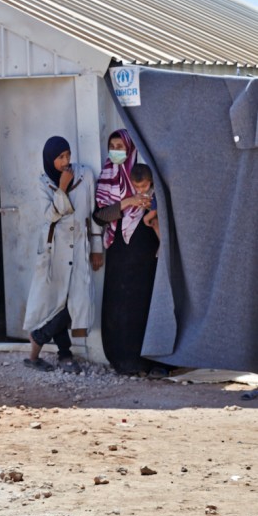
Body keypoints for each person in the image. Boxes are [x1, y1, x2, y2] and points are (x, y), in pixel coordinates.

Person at [22, 135, 103, 373]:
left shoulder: (85, 175)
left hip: (79, 247)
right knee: (55, 302)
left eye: (68, 155)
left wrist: (96, 247)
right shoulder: (43, 182)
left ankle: (40, 338)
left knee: (77, 300)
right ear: (50, 159)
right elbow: (50, 215)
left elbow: (92, 212)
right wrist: (63, 187)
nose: (66, 161)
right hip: (54, 250)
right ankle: (64, 354)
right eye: (60, 158)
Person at [94, 129, 167, 377]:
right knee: (120, 306)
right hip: (119, 254)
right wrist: (128, 202)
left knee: (145, 304)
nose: (116, 150)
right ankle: (123, 361)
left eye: (121, 146)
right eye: (112, 146)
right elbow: (99, 217)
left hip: (146, 254)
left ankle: (150, 360)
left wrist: (148, 206)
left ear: (131, 149)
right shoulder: (106, 178)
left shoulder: (145, 175)